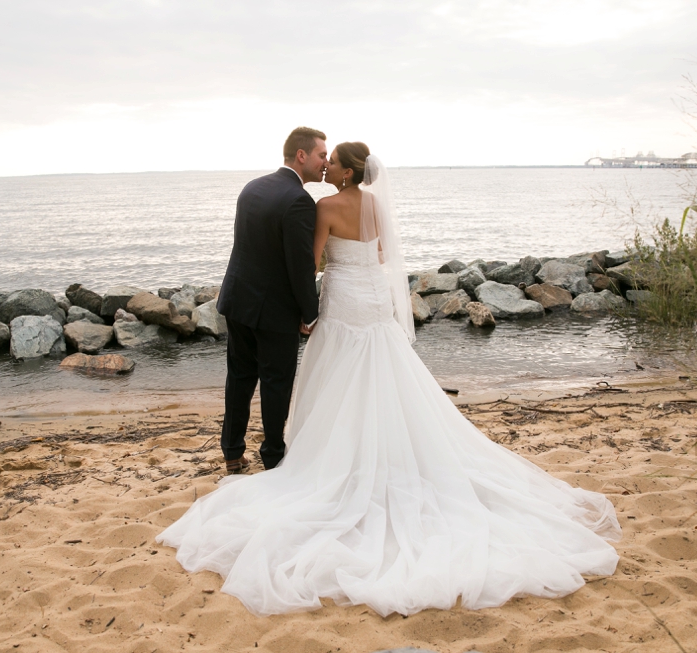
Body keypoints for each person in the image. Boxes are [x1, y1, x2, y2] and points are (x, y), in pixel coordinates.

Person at [158, 141, 621, 618]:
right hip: (374, 299)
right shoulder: (379, 205)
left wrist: (304, 304)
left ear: (344, 171)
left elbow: (313, 262)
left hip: (342, 302)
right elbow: (381, 252)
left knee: (333, 374)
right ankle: (389, 453)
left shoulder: (326, 205)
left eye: (332, 159)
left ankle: (317, 456)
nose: (327, 164)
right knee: (385, 370)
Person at [215, 127, 326, 473]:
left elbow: (247, 247)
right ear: (301, 155)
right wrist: (310, 312)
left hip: (237, 299)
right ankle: (274, 455)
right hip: (274, 310)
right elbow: (300, 266)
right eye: (322, 155)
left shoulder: (253, 187)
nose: (326, 162)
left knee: (240, 377)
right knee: (276, 383)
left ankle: (232, 451)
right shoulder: (299, 200)